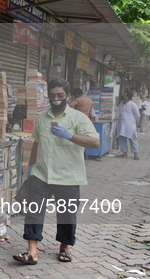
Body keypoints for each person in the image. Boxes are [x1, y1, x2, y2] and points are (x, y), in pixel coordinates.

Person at [13, 79, 99, 265]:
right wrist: (29, 169)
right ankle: (32, 251)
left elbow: (95, 142)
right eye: (52, 95)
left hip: (68, 175)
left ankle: (64, 248)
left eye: (60, 95)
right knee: (34, 211)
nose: (56, 98)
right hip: (42, 173)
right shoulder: (42, 118)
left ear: (68, 96)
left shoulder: (78, 118)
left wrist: (70, 136)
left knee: (67, 213)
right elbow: (36, 143)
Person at [117, 91, 140, 160]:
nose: (123, 96)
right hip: (121, 124)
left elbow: (137, 115)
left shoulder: (132, 105)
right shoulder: (121, 104)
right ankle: (124, 152)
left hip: (130, 125)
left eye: (125, 95)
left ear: (128, 97)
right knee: (122, 138)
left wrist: (134, 123)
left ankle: (135, 153)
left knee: (132, 139)